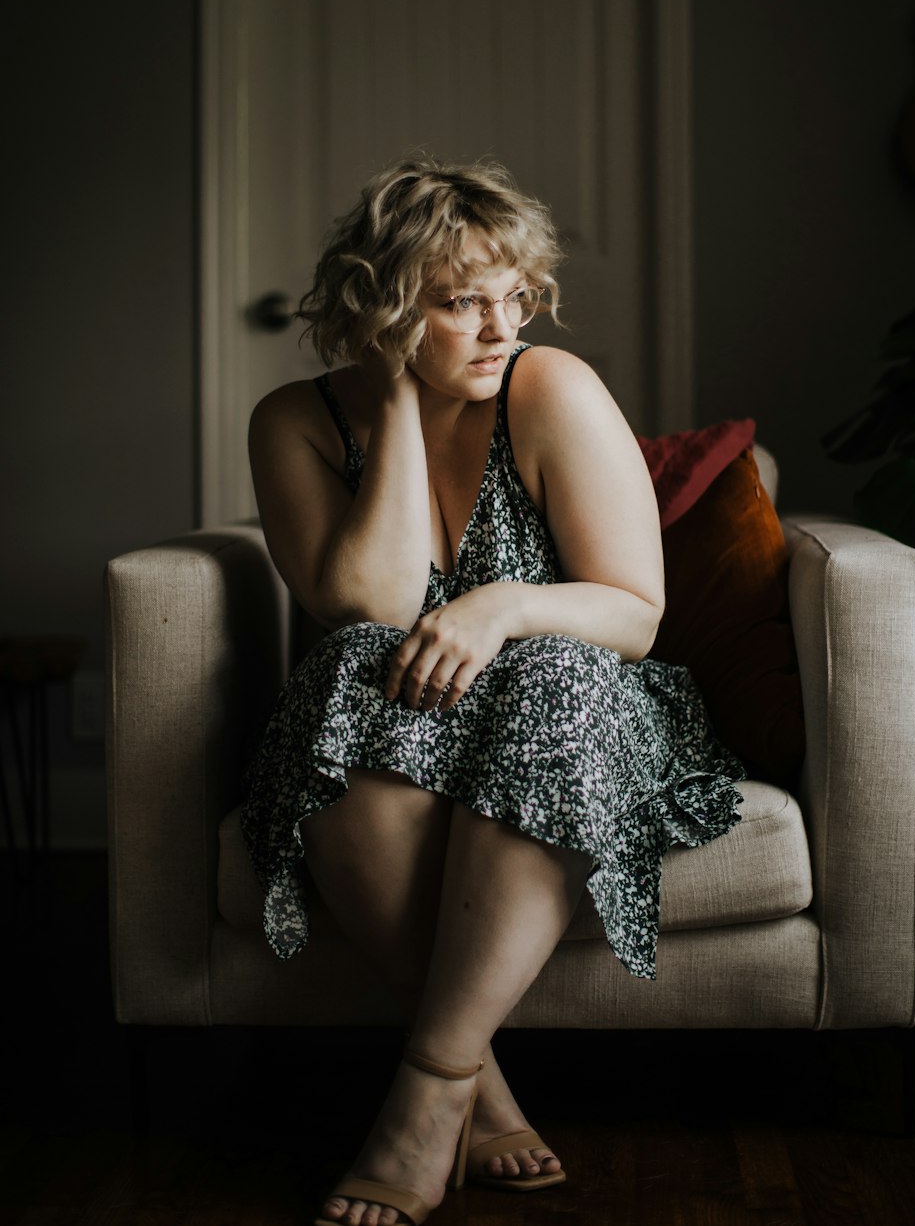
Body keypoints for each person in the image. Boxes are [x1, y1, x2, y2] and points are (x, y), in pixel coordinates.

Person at [242, 157, 745, 1226]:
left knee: (553, 672)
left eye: (515, 296)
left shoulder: (548, 386)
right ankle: (484, 1083)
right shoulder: (296, 419)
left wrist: (503, 605)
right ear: (382, 310)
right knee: (343, 677)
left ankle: (425, 1091)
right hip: (412, 706)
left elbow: (630, 611)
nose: (498, 326)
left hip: (580, 700)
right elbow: (365, 608)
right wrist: (393, 402)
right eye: (460, 300)